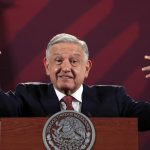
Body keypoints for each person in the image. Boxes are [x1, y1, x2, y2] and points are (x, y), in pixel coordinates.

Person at [0, 33, 150, 131]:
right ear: (47, 66)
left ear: (86, 68)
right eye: (58, 60)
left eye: (74, 61)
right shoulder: (27, 96)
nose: (65, 68)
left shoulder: (114, 99)